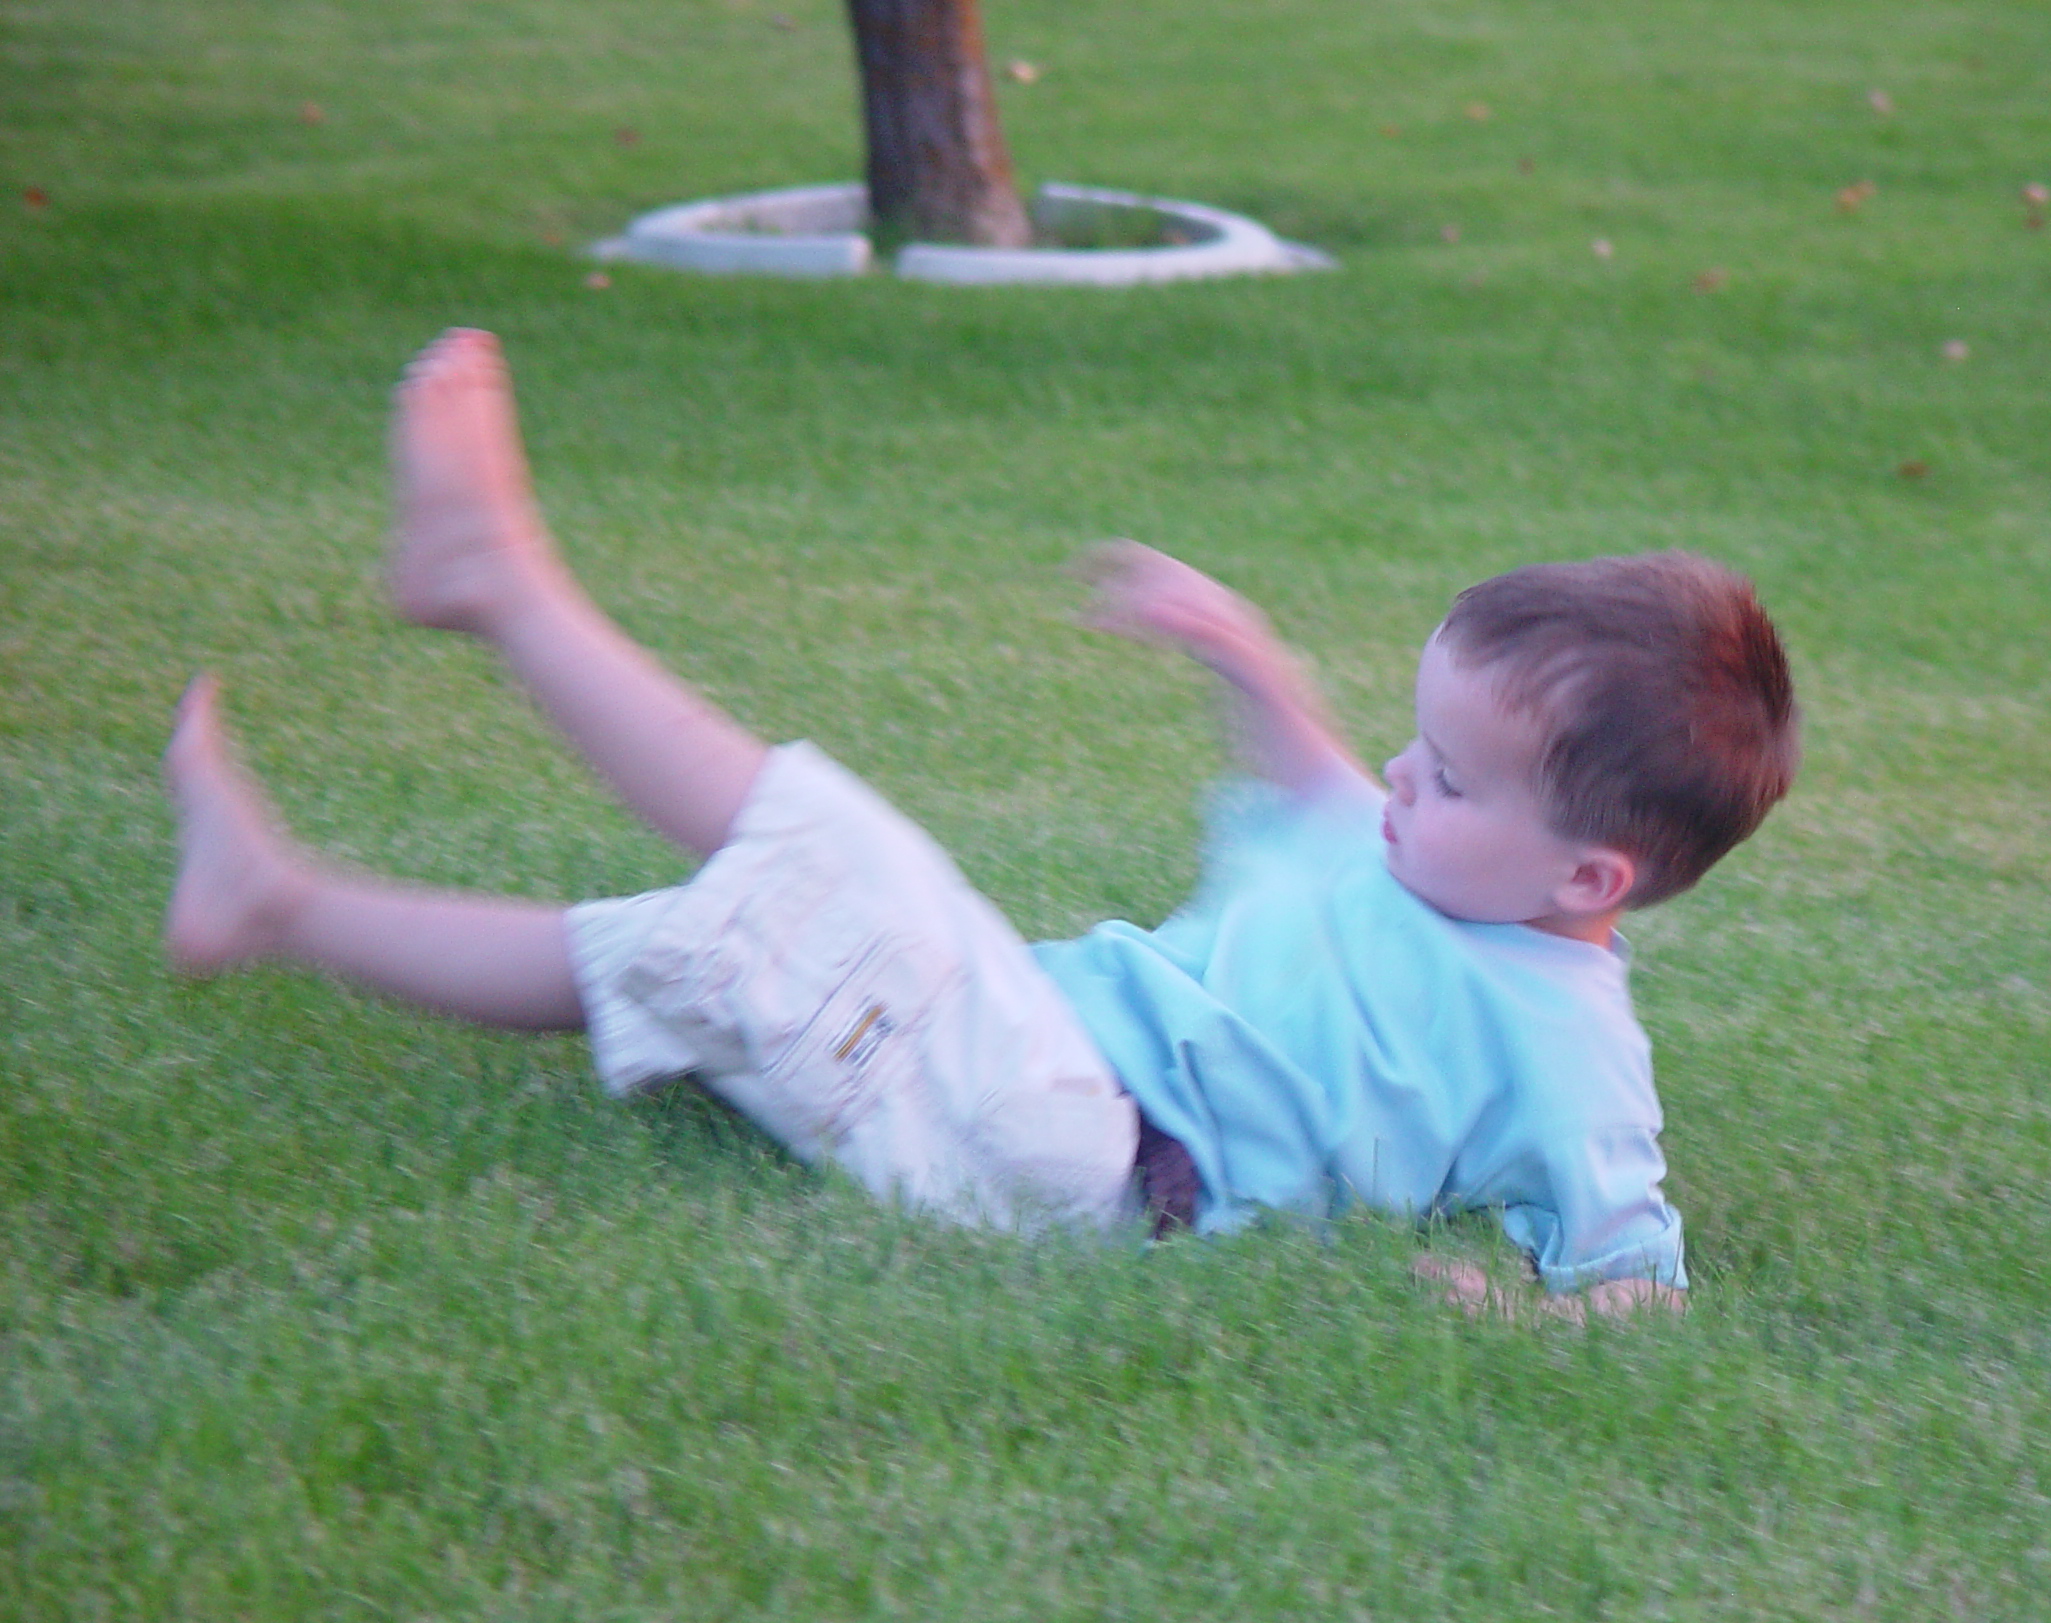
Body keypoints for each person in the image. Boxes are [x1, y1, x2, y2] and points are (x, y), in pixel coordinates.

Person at [163, 329, 1796, 1319]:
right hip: (1004, 1054)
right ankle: (277, 899)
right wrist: (1243, 654)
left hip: (1091, 1163)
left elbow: (1636, 1287)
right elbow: (1305, 773)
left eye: (1447, 773)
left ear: (1592, 877)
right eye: (1411, 740)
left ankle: (499, 583)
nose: (1392, 776)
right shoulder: (1403, 853)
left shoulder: (1564, 1054)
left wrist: (1501, 1314)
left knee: (823, 851)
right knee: (660, 949)